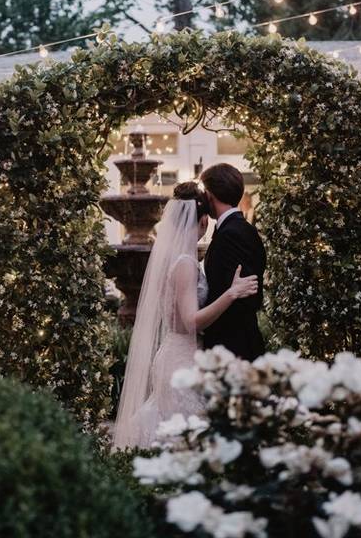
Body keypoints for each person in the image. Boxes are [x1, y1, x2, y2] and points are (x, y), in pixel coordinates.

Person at [112, 181, 258, 449]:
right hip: (182, 360)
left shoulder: (178, 259)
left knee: (172, 431)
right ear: (202, 220)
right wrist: (232, 292)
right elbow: (191, 320)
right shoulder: (186, 264)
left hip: (174, 353)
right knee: (184, 437)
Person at [200, 163, 267, 361]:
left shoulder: (232, 234)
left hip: (233, 349)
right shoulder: (236, 229)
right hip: (232, 345)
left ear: (211, 195)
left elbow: (244, 297)